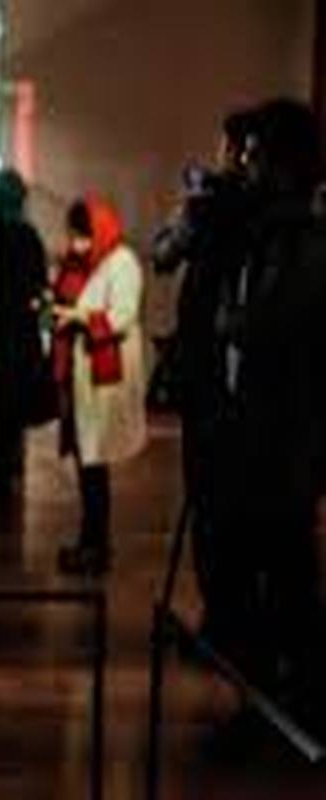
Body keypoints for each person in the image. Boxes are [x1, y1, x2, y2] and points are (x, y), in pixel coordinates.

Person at [219, 98, 326, 705]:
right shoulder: (268, 235)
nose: (246, 168)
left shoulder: (302, 242)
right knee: (268, 565)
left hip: (285, 434)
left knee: (286, 570)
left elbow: (270, 324)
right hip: (263, 428)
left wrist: (233, 321)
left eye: (256, 157)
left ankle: (294, 696)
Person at [152, 109, 256, 642]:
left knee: (216, 506)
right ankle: (231, 620)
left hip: (219, 376)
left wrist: (194, 208)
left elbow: (164, 253)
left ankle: (226, 624)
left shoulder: (223, 206)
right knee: (226, 507)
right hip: (227, 374)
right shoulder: (244, 206)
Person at [52, 196, 147, 575]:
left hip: (103, 376)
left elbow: (122, 314)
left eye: (82, 235)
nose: (77, 243)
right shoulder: (85, 263)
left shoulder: (122, 263)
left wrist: (77, 317)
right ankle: (89, 542)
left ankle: (96, 546)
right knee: (87, 463)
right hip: (83, 375)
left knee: (95, 463)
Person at [0, 169, 49, 501]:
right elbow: (38, 284)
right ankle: (9, 471)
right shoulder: (27, 235)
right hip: (20, 334)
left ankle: (0, 474)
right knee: (12, 415)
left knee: (0, 412)